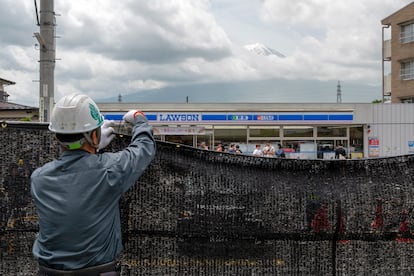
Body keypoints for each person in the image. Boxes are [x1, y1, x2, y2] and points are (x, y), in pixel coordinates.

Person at [30, 93, 156, 275]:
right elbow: (144, 148)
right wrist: (139, 118)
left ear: (57, 135)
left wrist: (92, 148)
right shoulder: (108, 170)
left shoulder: (39, 178)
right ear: (93, 136)